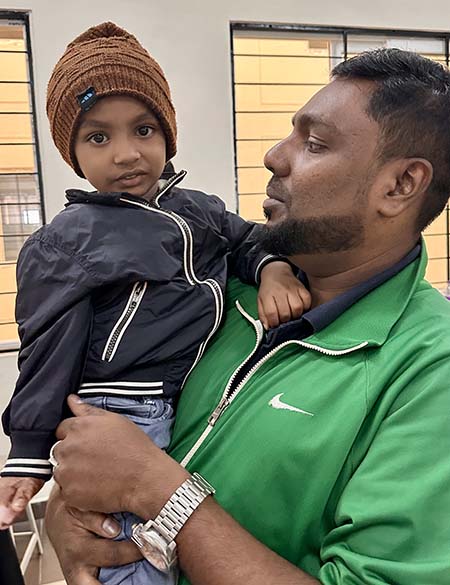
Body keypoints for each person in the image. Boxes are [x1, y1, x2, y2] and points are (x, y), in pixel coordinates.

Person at [45, 47, 450, 585]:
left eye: (314, 143)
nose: (274, 156)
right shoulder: (209, 287)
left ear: (400, 186)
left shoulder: (430, 371)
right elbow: (100, 424)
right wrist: (67, 514)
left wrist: (157, 491)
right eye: (290, 133)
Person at [0, 21, 310, 585]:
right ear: (71, 152)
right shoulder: (69, 239)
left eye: (143, 129)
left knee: (177, 542)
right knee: (130, 558)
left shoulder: (200, 209)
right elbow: (46, 343)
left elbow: (246, 241)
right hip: (119, 410)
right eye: (98, 137)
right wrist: (26, 449)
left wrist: (272, 269)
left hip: (185, 402)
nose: (126, 154)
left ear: (167, 133)